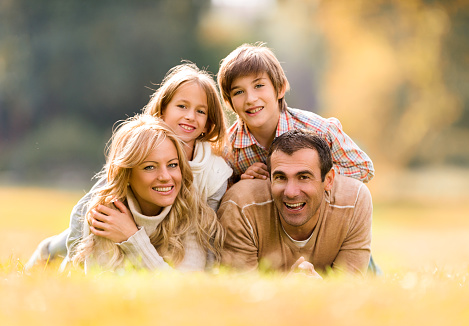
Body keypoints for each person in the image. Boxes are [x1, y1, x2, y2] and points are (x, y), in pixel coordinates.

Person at [25, 62, 232, 270]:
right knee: (66, 241)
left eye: (200, 111)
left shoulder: (212, 171)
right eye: (182, 106)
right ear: (162, 111)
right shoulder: (141, 147)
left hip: (174, 227)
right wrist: (74, 262)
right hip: (130, 219)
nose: (190, 116)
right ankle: (47, 251)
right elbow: (88, 207)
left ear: (209, 124)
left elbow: (209, 234)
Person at [70, 113, 224, 272]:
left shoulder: (191, 210)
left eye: (172, 165)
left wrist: (132, 238)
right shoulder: (106, 215)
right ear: (127, 174)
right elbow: (106, 290)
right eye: (150, 167)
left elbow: (185, 289)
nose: (165, 177)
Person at [217, 129, 372, 278]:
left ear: (328, 180)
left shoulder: (354, 200)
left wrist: (317, 288)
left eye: (304, 177)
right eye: (280, 177)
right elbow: (240, 294)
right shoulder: (240, 205)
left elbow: (348, 289)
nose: (291, 192)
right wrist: (288, 288)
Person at [216, 42, 375, 184]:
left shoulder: (319, 131)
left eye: (258, 86)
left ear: (280, 89)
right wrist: (242, 184)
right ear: (229, 103)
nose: (250, 99)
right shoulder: (227, 150)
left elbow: (363, 168)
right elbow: (220, 199)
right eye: (238, 92)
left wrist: (309, 175)